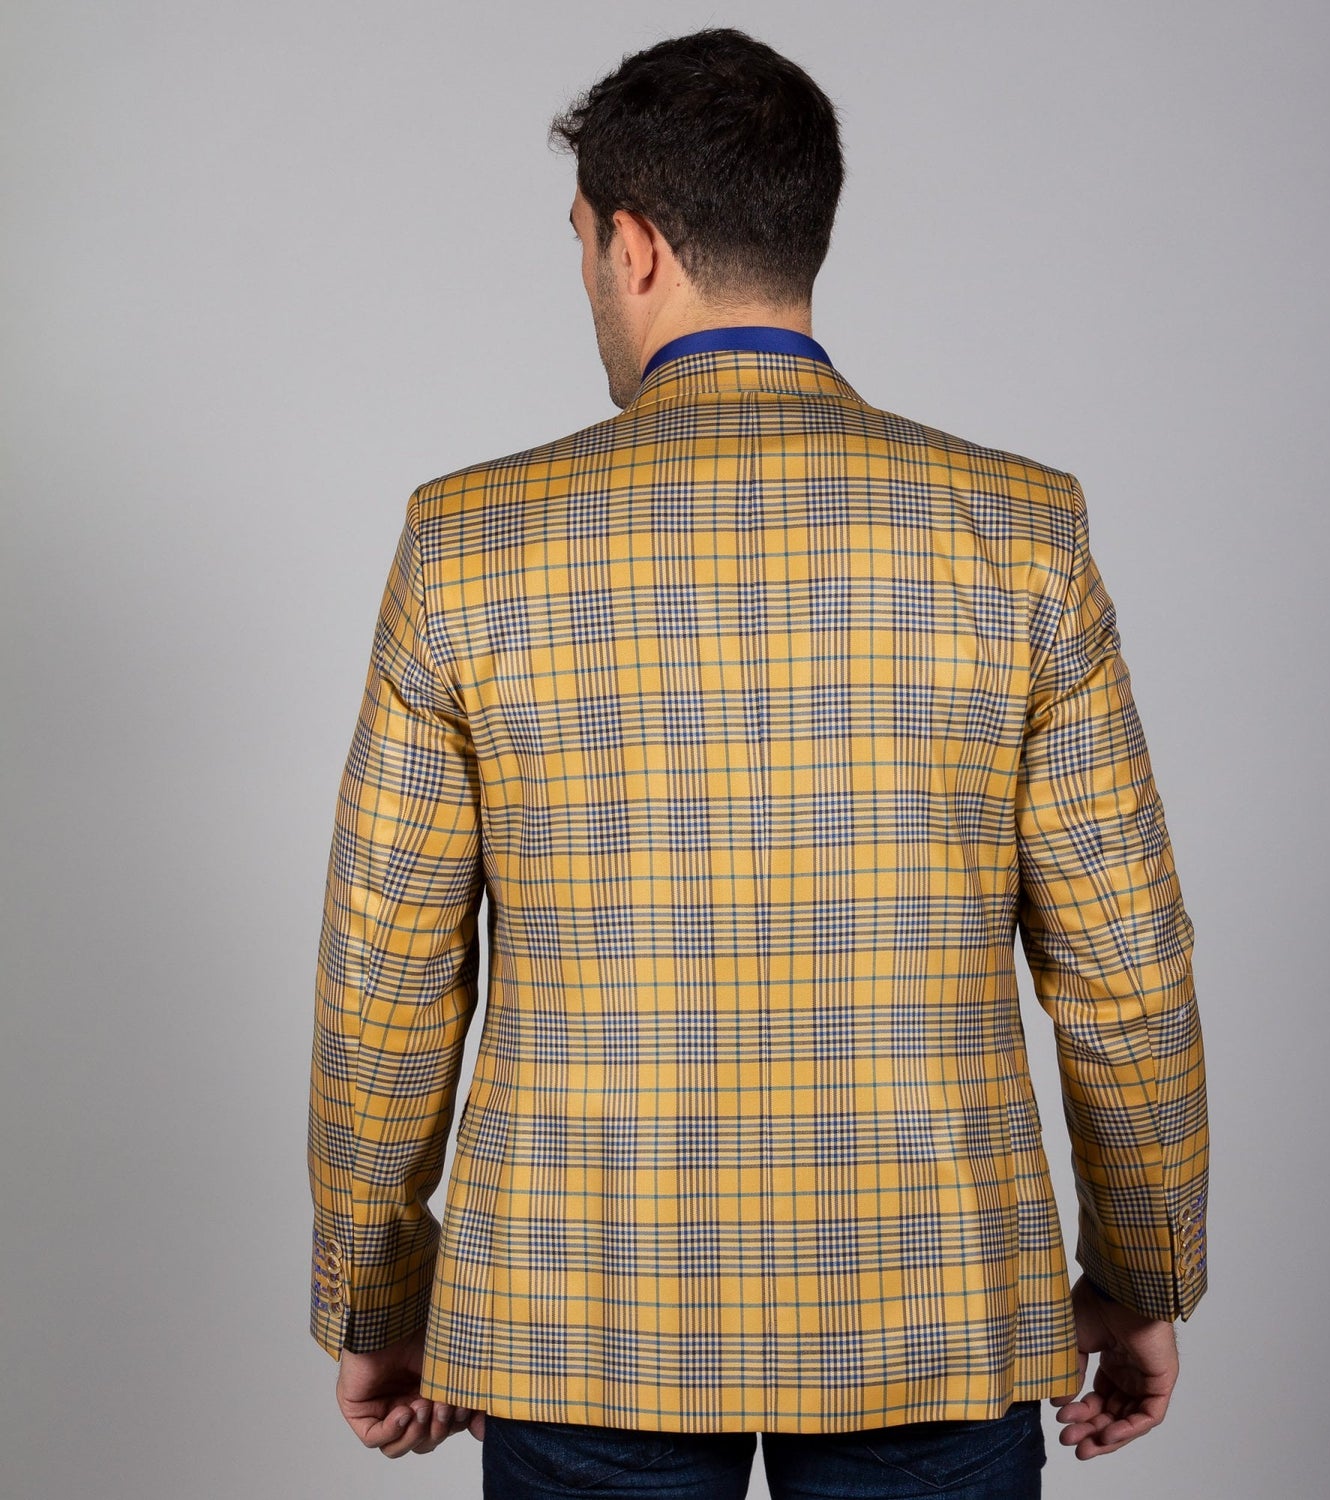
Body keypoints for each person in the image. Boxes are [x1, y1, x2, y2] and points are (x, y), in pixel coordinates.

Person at [306, 26, 1208, 1499]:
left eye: (582, 243)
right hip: (936, 1311)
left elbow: (386, 971)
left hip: (575, 1320)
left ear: (636, 246)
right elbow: (1125, 963)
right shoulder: (1020, 534)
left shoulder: (467, 544)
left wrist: (376, 1298)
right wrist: (1146, 1271)